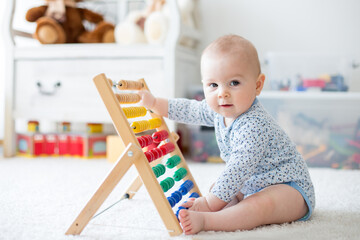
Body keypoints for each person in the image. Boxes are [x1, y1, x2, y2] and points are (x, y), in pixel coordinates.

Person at [138, 34, 315, 235]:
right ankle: (226, 212)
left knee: (257, 206)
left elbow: (237, 170)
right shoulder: (218, 109)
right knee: (221, 189)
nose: (222, 93)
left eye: (234, 83)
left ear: (257, 85)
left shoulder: (254, 126)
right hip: (252, 183)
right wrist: (155, 104)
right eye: (213, 85)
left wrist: (209, 204)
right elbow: (190, 109)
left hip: (289, 189)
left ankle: (208, 221)